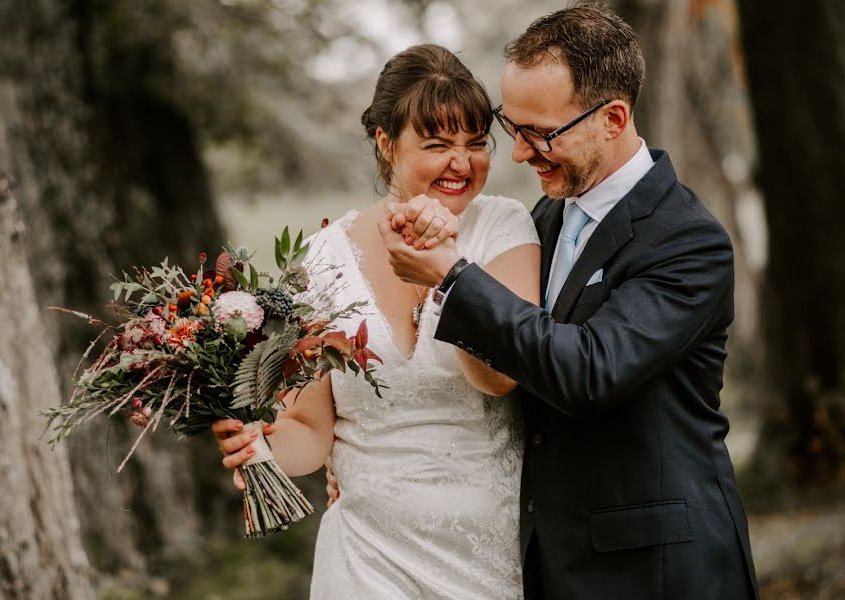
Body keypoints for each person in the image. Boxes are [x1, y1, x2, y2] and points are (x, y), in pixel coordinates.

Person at [376, 4, 759, 599]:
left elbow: (588, 370)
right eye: (513, 126)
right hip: (556, 560)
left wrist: (454, 277)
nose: (521, 154)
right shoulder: (547, 217)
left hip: (657, 569)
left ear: (613, 118)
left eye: (541, 133)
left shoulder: (688, 241)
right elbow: (518, 368)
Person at [213, 44, 541, 599]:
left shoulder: (505, 229)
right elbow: (311, 431)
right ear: (386, 144)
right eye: (437, 145)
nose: (462, 164)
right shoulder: (322, 257)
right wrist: (261, 447)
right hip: (366, 557)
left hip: (488, 551)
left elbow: (499, 377)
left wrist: (449, 269)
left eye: (475, 143)